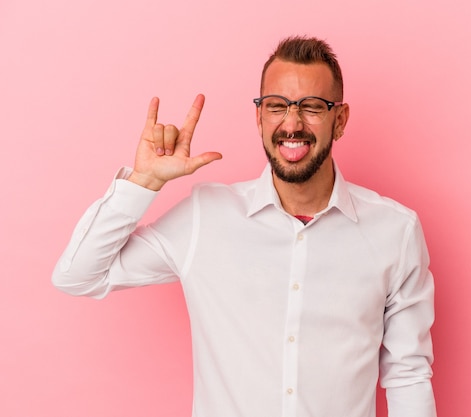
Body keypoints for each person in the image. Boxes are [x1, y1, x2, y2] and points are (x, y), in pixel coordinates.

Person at [52, 36, 437, 417]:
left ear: (340, 120)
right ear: (259, 117)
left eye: (313, 107)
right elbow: (79, 276)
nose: (292, 123)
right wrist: (144, 182)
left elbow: (408, 376)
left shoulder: (395, 232)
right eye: (277, 106)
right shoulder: (207, 217)